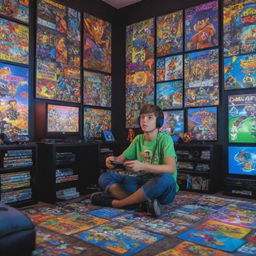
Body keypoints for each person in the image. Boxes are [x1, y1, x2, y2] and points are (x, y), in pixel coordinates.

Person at [90, 104, 179, 217]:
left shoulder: (165, 139)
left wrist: (143, 166)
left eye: (149, 117)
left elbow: (171, 168)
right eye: (142, 117)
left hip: (161, 187)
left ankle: (119, 203)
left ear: (159, 121)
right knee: (105, 177)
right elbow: (120, 159)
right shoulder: (138, 139)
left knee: (167, 179)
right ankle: (142, 204)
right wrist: (112, 160)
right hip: (141, 182)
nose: (144, 121)